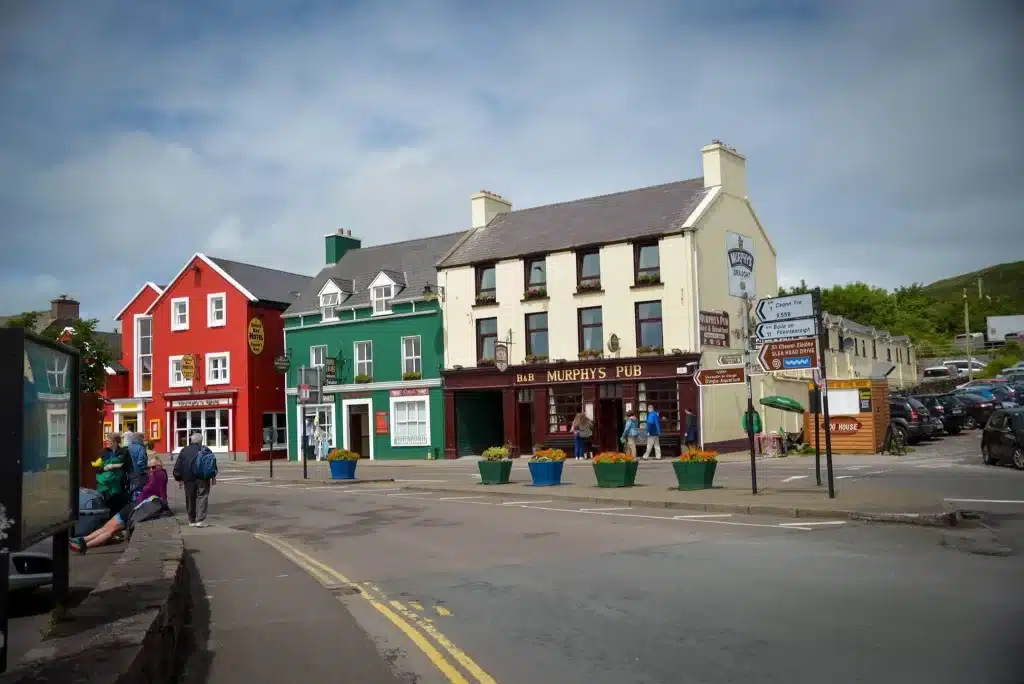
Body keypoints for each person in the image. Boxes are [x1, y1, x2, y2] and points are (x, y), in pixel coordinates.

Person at [173, 432, 217, 527]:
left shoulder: (184, 450)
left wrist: (179, 478)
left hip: (188, 478)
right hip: (203, 477)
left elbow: (178, 466)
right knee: (203, 496)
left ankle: (191, 520)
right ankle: (200, 520)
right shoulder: (206, 450)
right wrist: (213, 476)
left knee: (190, 498)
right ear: (201, 441)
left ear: (191, 440)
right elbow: (212, 464)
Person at [94, 433, 131, 513]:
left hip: (119, 486)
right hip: (105, 486)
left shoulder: (124, 452)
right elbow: (96, 467)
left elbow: (127, 466)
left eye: (108, 441)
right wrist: (103, 468)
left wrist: (112, 466)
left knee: (119, 508)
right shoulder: (103, 452)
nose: (106, 442)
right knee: (107, 508)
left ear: (115, 442)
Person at [126, 431, 150, 503]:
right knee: (140, 489)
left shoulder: (129, 446)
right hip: (139, 472)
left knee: (133, 489)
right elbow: (141, 461)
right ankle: (139, 505)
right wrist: (145, 469)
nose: (143, 439)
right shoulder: (141, 447)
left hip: (131, 472)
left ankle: (132, 505)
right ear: (140, 438)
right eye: (143, 438)